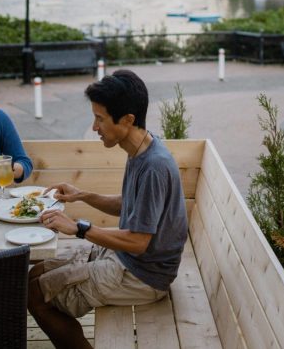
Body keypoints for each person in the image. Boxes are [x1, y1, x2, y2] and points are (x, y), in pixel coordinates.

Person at [27, 69, 188, 348]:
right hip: (126, 258)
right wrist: (81, 195)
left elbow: (138, 242)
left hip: (143, 276)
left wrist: (78, 228)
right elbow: (129, 205)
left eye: (100, 119)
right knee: (35, 275)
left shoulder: (154, 166)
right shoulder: (141, 149)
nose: (94, 127)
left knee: (37, 296)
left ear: (127, 120)